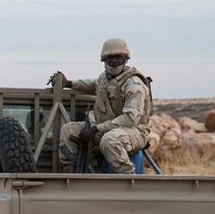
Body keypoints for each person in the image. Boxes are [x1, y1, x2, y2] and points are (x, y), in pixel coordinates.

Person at [52, 38, 152, 174]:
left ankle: (129, 179)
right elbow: (93, 85)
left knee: (110, 140)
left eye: (118, 57)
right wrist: (69, 83)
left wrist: (96, 129)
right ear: (104, 59)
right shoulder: (105, 78)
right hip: (108, 127)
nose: (114, 61)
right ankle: (72, 174)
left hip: (134, 131)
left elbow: (130, 119)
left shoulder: (133, 85)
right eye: (110, 57)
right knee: (68, 130)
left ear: (125, 59)